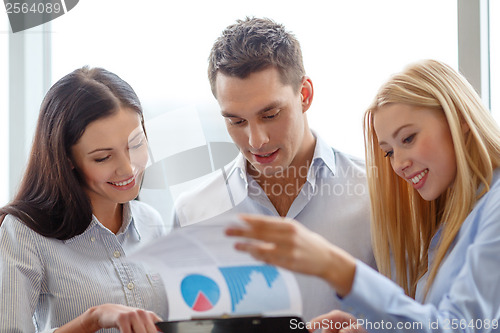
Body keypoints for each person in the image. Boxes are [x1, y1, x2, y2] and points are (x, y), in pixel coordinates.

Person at [226, 59, 500, 332]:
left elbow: (461, 327)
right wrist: (373, 328)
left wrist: (336, 267)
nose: (399, 164)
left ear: (460, 119)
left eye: (408, 138)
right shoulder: (453, 217)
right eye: (389, 152)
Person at [172, 17, 375, 321]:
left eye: (270, 115)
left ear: (304, 95)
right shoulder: (193, 213)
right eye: (236, 121)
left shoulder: (377, 195)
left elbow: (416, 316)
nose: (256, 140)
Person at [0, 67, 168, 332]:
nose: (128, 169)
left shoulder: (152, 221)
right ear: (67, 160)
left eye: (136, 144)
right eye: (103, 157)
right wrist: (93, 319)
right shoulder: (24, 234)